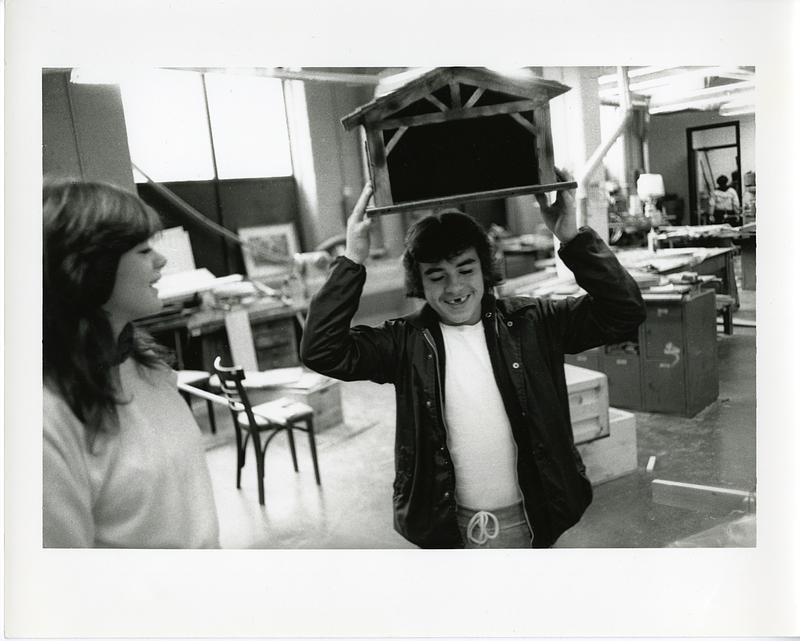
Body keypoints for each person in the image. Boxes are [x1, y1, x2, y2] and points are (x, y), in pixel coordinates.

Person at [300, 175, 646, 549]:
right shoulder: (405, 343)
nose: (454, 288)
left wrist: (573, 238)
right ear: (420, 282)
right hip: (450, 528)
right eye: (437, 276)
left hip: (533, 517)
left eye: (465, 270)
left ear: (485, 269)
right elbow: (322, 350)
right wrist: (352, 260)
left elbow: (624, 312)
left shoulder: (534, 322)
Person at [43, 178, 220, 548]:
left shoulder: (147, 368)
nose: (162, 259)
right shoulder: (47, 418)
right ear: (87, 269)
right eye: (142, 251)